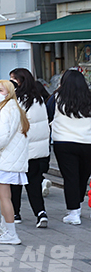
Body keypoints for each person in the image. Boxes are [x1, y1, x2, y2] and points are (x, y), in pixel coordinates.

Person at [0, 79, 30, 245]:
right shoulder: (14, 108)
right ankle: (4, 226)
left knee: (4, 198)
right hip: (11, 159)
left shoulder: (4, 110)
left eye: (0, 90)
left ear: (9, 92)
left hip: (4, 160)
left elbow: (0, 139)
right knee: (6, 196)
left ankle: (11, 233)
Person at [8, 68, 51, 227]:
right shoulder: (39, 99)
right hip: (37, 151)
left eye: (13, 79)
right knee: (33, 183)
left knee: (15, 183)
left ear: (19, 81)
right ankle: (41, 213)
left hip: (21, 149)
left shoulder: (17, 101)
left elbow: (13, 125)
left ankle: (16, 213)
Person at [50, 69, 91, 225]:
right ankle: (77, 204)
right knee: (83, 175)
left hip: (64, 143)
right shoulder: (89, 98)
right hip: (88, 143)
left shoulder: (56, 98)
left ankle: (74, 212)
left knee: (70, 177)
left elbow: (48, 115)